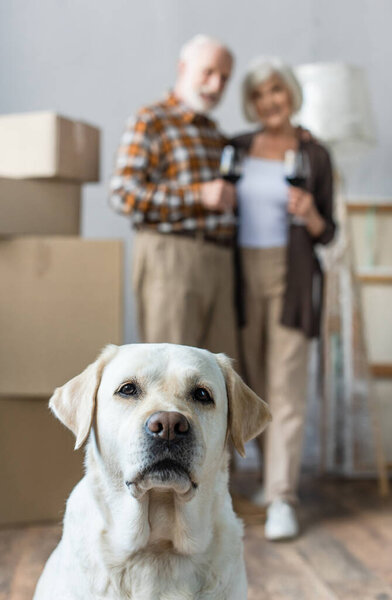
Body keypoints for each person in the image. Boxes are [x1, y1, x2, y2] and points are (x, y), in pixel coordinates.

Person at [232, 57, 336, 541]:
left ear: (290, 92)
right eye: (258, 95)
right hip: (239, 276)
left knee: (287, 388)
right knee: (250, 386)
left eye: (275, 90)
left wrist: (311, 213)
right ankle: (264, 482)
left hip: (291, 276)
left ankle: (281, 499)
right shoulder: (237, 147)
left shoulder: (315, 155)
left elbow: (327, 231)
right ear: (250, 103)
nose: (269, 101)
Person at [110, 35, 237, 358]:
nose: (215, 84)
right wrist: (198, 195)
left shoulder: (217, 135)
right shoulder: (151, 120)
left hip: (221, 262)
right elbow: (123, 194)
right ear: (183, 68)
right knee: (171, 370)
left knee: (219, 379)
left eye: (224, 77)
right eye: (208, 72)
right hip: (171, 258)